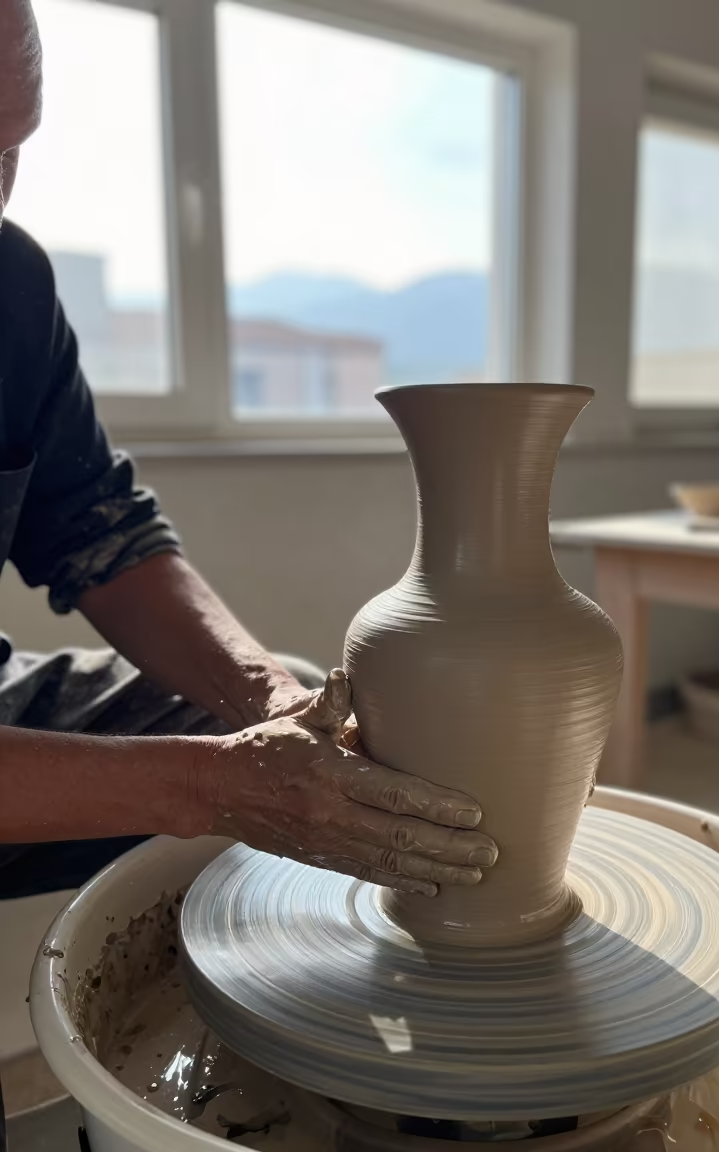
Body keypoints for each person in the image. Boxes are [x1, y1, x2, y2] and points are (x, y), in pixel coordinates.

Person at [0, 0, 498, 1096]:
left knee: (318, 742)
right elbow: (198, 793)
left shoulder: (12, 288)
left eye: (8, 149)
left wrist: (266, 707)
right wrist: (200, 789)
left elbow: (105, 535)